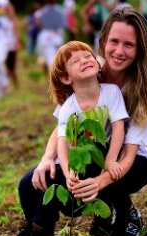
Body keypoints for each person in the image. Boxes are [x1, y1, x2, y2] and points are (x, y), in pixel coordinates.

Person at [5, 7, 147, 236]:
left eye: (129, 45)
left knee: (94, 157)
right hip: (90, 152)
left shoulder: (142, 90)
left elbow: (128, 156)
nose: (119, 51)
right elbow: (63, 126)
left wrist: (98, 183)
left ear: (140, 49)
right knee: (33, 180)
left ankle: (127, 215)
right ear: (103, 41)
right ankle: (37, 230)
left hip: (131, 163)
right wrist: (47, 159)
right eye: (114, 41)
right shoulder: (88, 69)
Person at [52, 41, 129, 191]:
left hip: (113, 147)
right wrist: (69, 172)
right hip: (85, 153)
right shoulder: (68, 108)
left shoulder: (112, 92)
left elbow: (118, 126)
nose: (84, 60)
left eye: (88, 56)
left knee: (112, 173)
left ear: (98, 64)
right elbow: (63, 141)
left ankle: (122, 209)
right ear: (66, 78)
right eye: (75, 61)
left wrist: (111, 160)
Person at [35, 0, 67, 72]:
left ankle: (55, 78)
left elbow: (38, 25)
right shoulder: (61, 11)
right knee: (60, 60)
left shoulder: (41, 12)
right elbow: (63, 26)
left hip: (47, 38)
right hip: (57, 37)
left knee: (51, 61)